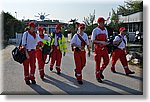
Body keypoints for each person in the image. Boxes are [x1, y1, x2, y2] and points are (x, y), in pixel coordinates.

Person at [91, 17, 109, 83]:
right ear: (99, 23)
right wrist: (101, 42)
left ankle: (101, 71)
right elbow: (93, 40)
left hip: (104, 48)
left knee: (107, 61)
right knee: (98, 63)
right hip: (98, 48)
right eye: (102, 22)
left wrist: (107, 42)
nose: (104, 23)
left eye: (104, 22)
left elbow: (106, 38)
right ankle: (98, 76)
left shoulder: (105, 29)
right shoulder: (95, 30)